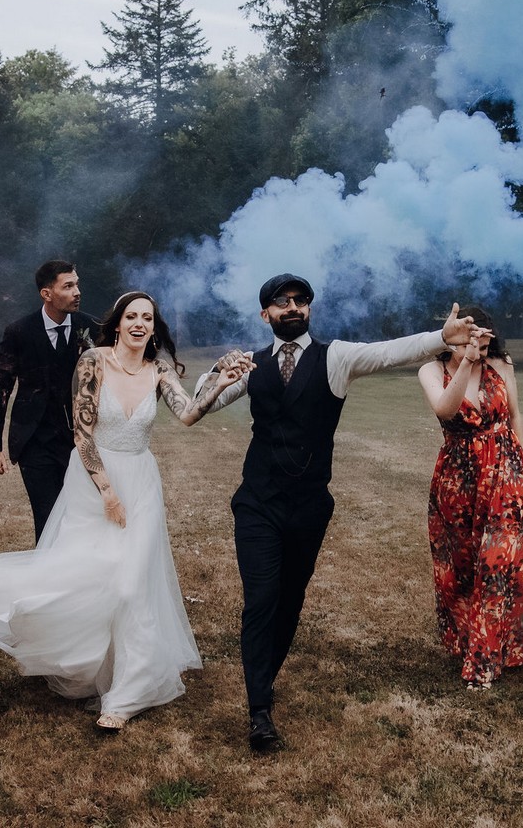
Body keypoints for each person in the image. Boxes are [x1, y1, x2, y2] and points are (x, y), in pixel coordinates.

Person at [0, 291, 245, 731]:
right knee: (85, 574)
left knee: (133, 584)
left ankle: (126, 694)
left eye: (147, 319)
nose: (139, 324)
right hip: (94, 481)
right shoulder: (94, 361)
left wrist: (220, 383)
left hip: (142, 482)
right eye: (131, 316)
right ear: (117, 323)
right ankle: (34, 624)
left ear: (155, 328)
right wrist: (108, 493)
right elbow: (82, 432)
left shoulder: (160, 369)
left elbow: (188, 414)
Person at [199, 274, 483, 751]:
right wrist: (217, 370)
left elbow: (390, 350)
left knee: (289, 600)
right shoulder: (251, 365)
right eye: (281, 302)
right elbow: (203, 404)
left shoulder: (337, 357)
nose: (292, 308)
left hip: (309, 505)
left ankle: (264, 682)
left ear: (309, 310)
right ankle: (259, 711)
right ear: (264, 314)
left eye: (300, 301)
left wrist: (441, 338)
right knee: (261, 599)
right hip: (257, 503)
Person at [417, 307, 523, 689]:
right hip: (458, 480)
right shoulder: (431, 370)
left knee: (497, 563)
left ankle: (484, 663)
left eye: (485, 339)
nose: (480, 346)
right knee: (462, 568)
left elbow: (515, 414)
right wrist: (466, 364)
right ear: (451, 336)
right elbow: (445, 408)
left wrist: (520, 464)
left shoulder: (502, 366)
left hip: (506, 473)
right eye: (471, 339)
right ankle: (475, 641)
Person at [0, 259, 100, 541]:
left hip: (82, 439)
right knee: (48, 521)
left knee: (83, 517)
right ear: (46, 294)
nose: (77, 292)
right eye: (68, 286)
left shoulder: (92, 328)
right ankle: (50, 581)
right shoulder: (19, 332)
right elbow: (1, 388)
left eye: (77, 284)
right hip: (35, 442)